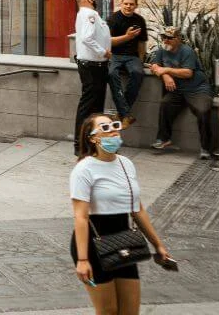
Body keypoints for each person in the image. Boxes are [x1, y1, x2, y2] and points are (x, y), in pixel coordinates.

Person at [70, 114, 172, 315]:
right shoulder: (83, 169)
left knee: (130, 311)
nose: (113, 130)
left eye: (114, 125)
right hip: (93, 245)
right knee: (108, 311)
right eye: (105, 128)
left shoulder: (126, 164)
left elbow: (137, 209)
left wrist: (157, 244)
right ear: (93, 138)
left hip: (124, 242)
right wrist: (82, 260)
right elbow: (81, 217)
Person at [148, 26, 215, 158]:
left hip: (197, 89)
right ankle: (164, 139)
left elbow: (188, 73)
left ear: (178, 39)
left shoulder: (186, 51)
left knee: (203, 111)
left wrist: (166, 71)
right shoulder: (162, 50)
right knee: (165, 104)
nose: (166, 40)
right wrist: (165, 76)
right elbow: (155, 66)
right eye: (164, 37)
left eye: (169, 38)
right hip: (177, 90)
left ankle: (206, 148)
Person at [73, 0, 113, 154]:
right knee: (90, 105)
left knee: (94, 105)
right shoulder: (89, 14)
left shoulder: (85, 14)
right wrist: (102, 51)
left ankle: (90, 141)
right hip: (92, 65)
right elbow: (87, 38)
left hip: (95, 65)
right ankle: (81, 143)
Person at [106, 0, 148, 128]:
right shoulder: (112, 19)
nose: (128, 6)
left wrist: (141, 60)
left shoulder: (140, 20)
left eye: (131, 4)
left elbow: (142, 42)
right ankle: (125, 114)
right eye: (126, 4)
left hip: (132, 56)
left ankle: (122, 113)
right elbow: (108, 41)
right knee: (112, 74)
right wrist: (127, 36)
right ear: (121, 3)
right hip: (115, 55)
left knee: (138, 73)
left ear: (136, 5)